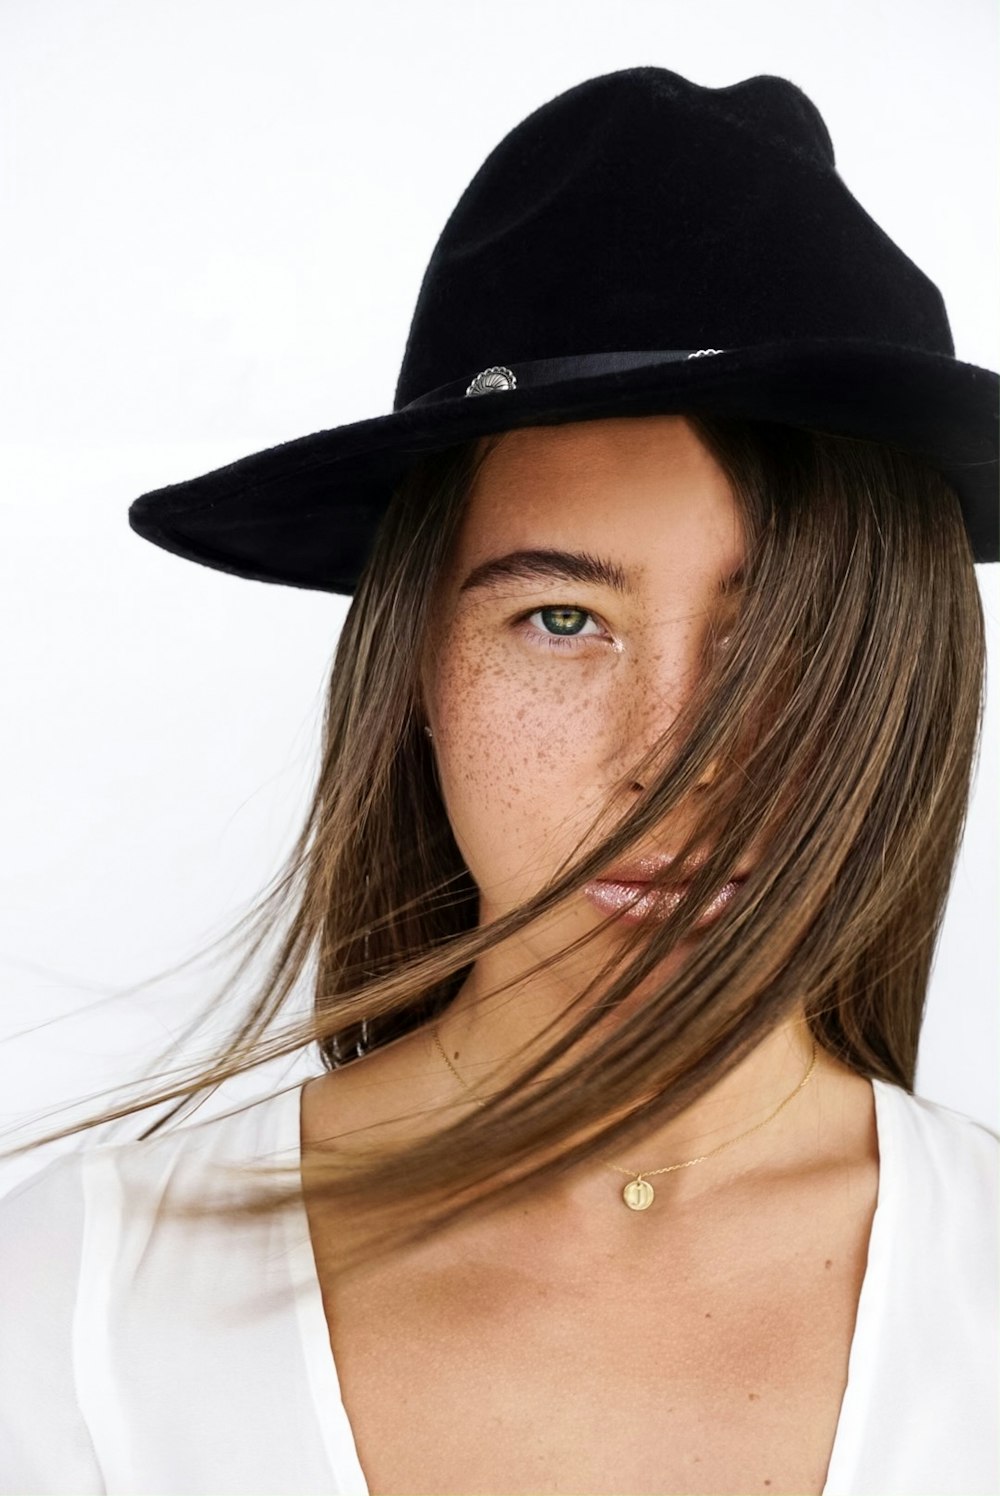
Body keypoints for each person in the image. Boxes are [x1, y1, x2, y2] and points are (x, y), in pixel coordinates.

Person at [0, 65, 997, 1496]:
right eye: (564, 620)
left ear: (903, 685)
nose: (677, 756)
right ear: (417, 671)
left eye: (774, 637)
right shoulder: (79, 1311)